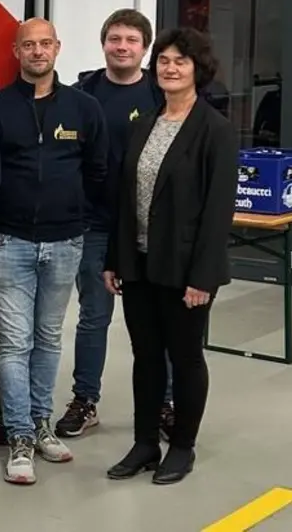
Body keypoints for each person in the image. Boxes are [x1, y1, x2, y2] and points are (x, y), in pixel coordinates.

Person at [103, 27, 237, 486]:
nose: (170, 68)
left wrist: (203, 277)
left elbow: (218, 212)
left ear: (198, 69)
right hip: (139, 265)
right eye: (163, 59)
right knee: (145, 357)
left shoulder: (214, 131)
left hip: (184, 271)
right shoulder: (146, 124)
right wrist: (113, 259)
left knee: (185, 358)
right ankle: (144, 443)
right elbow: (126, 199)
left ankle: (181, 446)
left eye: (180, 61)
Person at [0, 18, 108, 483]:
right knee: (15, 344)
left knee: (49, 340)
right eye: (28, 44)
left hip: (66, 240)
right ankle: (17, 436)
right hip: (10, 241)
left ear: (58, 48)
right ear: (16, 51)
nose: (37, 51)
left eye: (45, 44)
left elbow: (98, 172)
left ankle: (40, 424)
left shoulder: (84, 108)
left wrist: (76, 214)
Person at [57, 8, 171, 441]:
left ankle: (165, 403)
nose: (122, 47)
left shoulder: (162, 96)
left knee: (160, 321)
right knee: (93, 318)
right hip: (95, 226)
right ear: (104, 43)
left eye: (131, 40)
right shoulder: (82, 94)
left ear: (145, 48)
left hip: (149, 228)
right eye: (115, 39)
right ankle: (85, 400)